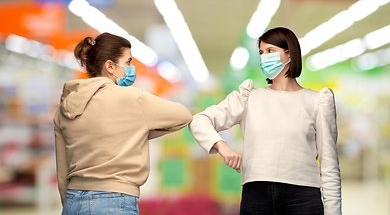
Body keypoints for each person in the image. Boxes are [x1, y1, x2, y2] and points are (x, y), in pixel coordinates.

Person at [189, 27, 341, 215]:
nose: (264, 57)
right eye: (261, 52)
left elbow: (329, 166)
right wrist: (221, 146)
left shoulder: (317, 101)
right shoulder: (248, 97)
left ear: (290, 55)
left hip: (303, 197)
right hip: (256, 196)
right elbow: (199, 120)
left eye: (271, 51)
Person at [53, 32, 193, 215]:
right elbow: (183, 115)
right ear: (110, 66)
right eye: (128, 62)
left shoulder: (65, 106)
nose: (131, 67)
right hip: (114, 200)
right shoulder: (132, 98)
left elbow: (62, 169)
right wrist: (140, 131)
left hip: (73, 201)